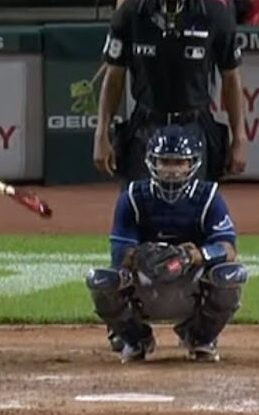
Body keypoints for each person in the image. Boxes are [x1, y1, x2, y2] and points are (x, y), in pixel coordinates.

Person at [85, 125, 247, 363]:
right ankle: (135, 337)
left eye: (178, 163)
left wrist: (193, 256)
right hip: (146, 280)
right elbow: (120, 251)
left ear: (192, 164)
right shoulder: (133, 196)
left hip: (191, 280)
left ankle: (200, 336)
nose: (171, 170)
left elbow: (228, 249)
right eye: (165, 162)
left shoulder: (209, 197)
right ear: (152, 162)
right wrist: (145, 256)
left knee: (232, 275)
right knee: (100, 280)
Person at [93, 0, 249, 187]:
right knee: (138, 205)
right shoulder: (131, 12)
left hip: (195, 125)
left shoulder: (215, 14)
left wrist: (239, 137)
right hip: (145, 125)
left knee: (194, 207)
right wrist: (101, 134)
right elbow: (114, 78)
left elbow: (231, 79)